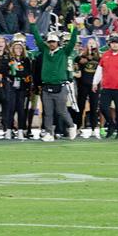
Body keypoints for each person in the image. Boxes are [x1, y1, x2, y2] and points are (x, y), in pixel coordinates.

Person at [28, 13, 79, 142]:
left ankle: (72, 126)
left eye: (53, 42)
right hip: (46, 86)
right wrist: (33, 25)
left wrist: (75, 29)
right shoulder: (44, 51)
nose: (51, 44)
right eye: (50, 42)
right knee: (48, 112)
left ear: (57, 43)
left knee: (61, 111)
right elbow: (37, 38)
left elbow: (72, 42)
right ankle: (49, 133)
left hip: (60, 86)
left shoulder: (64, 52)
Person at [75, 38, 101, 138]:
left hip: (94, 85)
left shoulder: (99, 57)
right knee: (80, 107)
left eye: (93, 43)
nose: (91, 45)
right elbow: (78, 60)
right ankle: (78, 127)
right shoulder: (83, 55)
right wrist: (88, 55)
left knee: (94, 107)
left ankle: (94, 129)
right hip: (83, 84)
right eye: (89, 43)